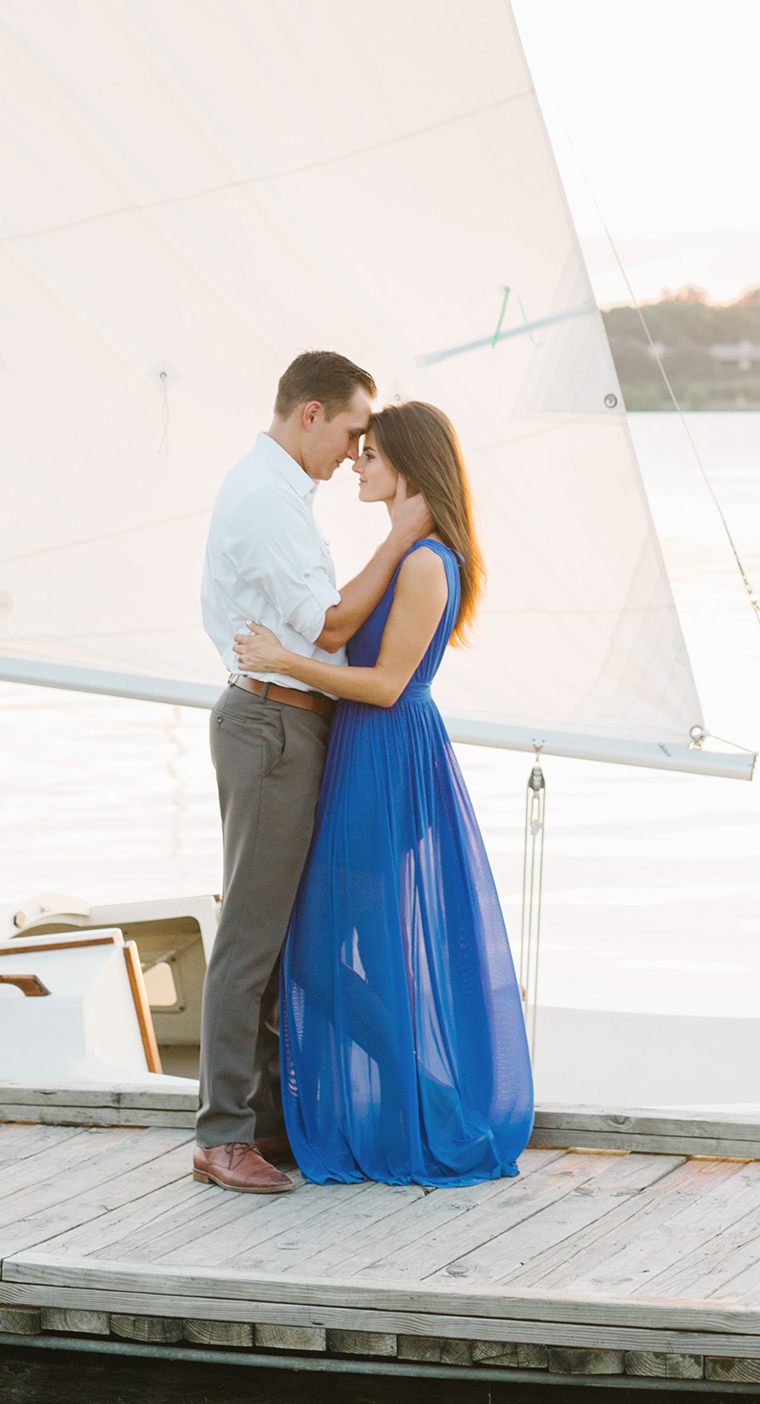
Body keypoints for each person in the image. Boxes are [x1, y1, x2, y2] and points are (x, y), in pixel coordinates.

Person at [231, 400, 533, 1186]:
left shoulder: (429, 560)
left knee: (340, 953)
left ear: (407, 464)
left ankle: (425, 1100)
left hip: (388, 757)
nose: (357, 465)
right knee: (330, 951)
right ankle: (412, 1096)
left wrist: (282, 660)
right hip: (362, 753)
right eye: (357, 451)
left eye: (372, 455)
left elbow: (389, 683)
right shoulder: (406, 551)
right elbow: (342, 635)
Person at [193, 351, 432, 1196]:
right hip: (270, 725)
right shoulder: (266, 500)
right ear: (311, 414)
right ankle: (223, 1136)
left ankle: (265, 1121)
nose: (356, 449)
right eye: (353, 429)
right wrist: (402, 535)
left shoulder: (285, 495)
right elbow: (328, 628)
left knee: (287, 935)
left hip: (290, 725)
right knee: (251, 938)